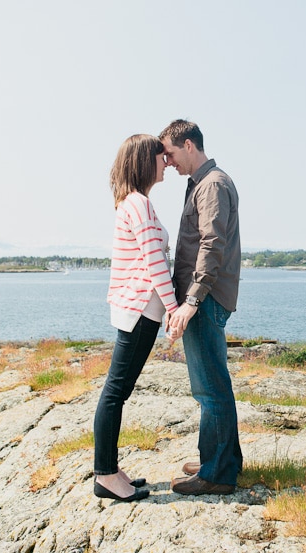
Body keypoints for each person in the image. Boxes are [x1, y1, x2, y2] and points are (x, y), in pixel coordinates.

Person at [93, 134, 178, 502]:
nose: (166, 163)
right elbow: (154, 261)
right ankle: (106, 475)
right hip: (142, 307)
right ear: (145, 161)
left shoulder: (134, 202)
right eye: (161, 156)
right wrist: (175, 310)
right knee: (115, 392)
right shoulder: (139, 204)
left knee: (117, 391)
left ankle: (110, 470)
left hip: (139, 308)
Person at [161, 119, 243, 495]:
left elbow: (212, 246)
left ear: (189, 145)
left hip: (205, 299)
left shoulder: (212, 185)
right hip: (203, 298)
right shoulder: (202, 184)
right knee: (209, 385)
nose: (168, 161)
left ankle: (218, 473)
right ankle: (217, 457)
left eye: (172, 153)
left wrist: (191, 302)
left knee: (211, 388)